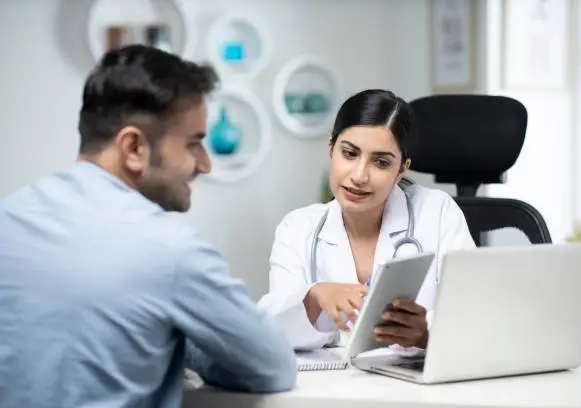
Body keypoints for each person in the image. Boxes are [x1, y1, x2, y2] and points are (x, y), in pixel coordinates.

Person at [0, 45, 297, 408]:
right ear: (133, 147)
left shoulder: (8, 217)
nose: (205, 165)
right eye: (193, 144)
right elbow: (272, 366)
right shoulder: (170, 251)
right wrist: (181, 340)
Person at [258, 89, 475, 351]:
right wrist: (314, 298)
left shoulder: (438, 213)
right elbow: (270, 331)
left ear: (401, 169)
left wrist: (427, 334)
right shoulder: (297, 228)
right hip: (330, 387)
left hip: (414, 387)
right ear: (331, 149)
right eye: (349, 154)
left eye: (381, 162)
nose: (359, 176)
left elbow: (475, 317)